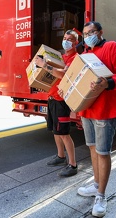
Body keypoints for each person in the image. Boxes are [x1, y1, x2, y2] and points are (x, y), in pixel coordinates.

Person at [76, 21, 116, 217]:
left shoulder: (112, 47)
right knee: (92, 148)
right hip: (88, 110)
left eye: (91, 32)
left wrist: (109, 82)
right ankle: (96, 184)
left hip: (106, 111)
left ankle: (101, 195)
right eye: (85, 34)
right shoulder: (84, 55)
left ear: (100, 32)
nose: (88, 36)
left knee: (102, 152)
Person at [35, 30, 79, 177]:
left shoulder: (75, 59)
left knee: (64, 133)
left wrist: (43, 65)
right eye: (65, 38)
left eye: (70, 39)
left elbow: (62, 74)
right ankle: (61, 157)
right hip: (52, 98)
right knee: (56, 131)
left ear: (76, 42)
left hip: (62, 101)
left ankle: (72, 164)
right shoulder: (63, 57)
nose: (66, 41)